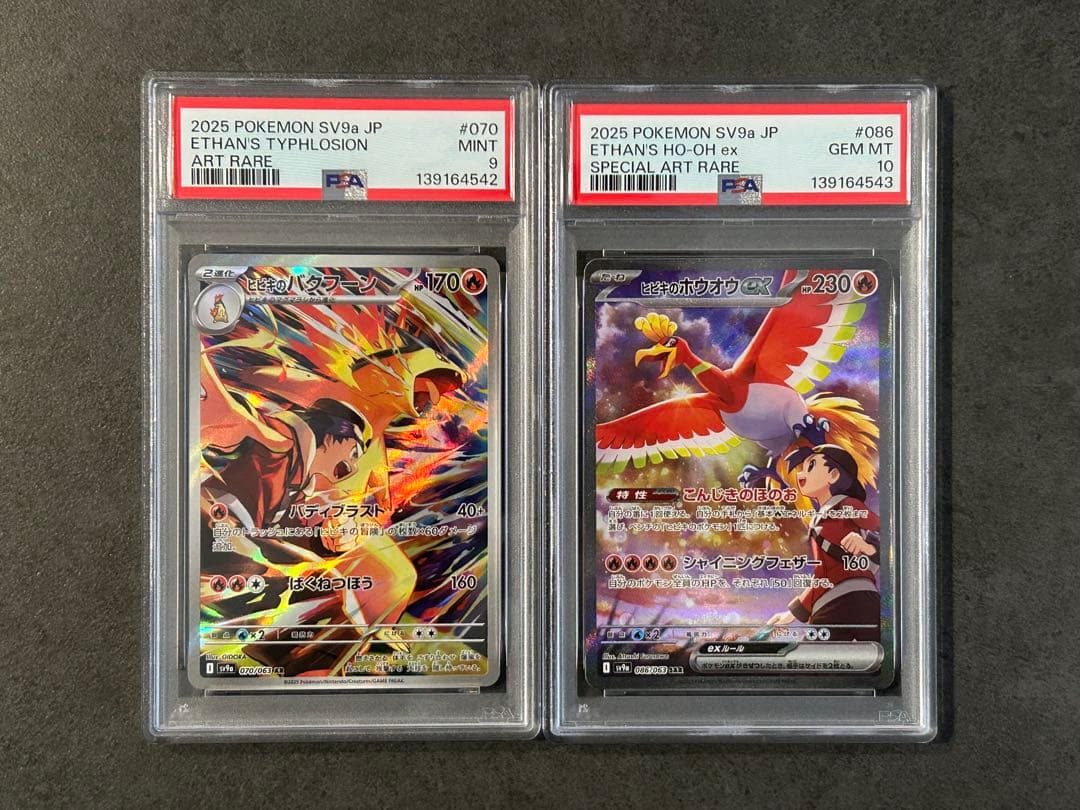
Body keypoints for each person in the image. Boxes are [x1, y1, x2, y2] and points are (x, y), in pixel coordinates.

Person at [766, 444, 881, 641]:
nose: (801, 474)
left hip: (857, 598)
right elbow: (822, 577)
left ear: (833, 475)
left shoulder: (847, 505)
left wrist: (868, 545)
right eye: (802, 468)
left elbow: (889, 531)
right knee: (813, 657)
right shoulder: (819, 519)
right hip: (834, 601)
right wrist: (791, 614)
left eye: (811, 466)